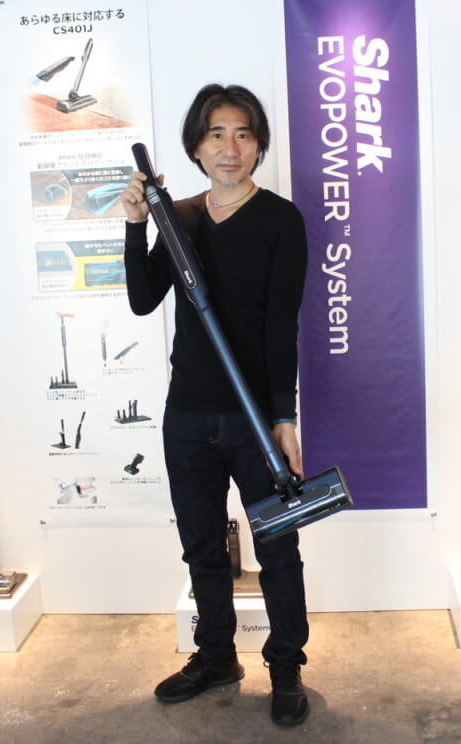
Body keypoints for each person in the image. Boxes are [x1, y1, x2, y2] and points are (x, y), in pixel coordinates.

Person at [120, 83, 311, 727]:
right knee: (202, 547)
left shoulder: (281, 220)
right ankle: (217, 657)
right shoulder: (180, 218)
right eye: (216, 135)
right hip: (187, 415)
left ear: (258, 145)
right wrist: (137, 223)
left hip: (254, 418)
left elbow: (281, 326)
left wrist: (284, 419)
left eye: (244, 134)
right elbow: (143, 300)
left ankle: (285, 667)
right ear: (196, 147)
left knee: (277, 548)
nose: (231, 148)